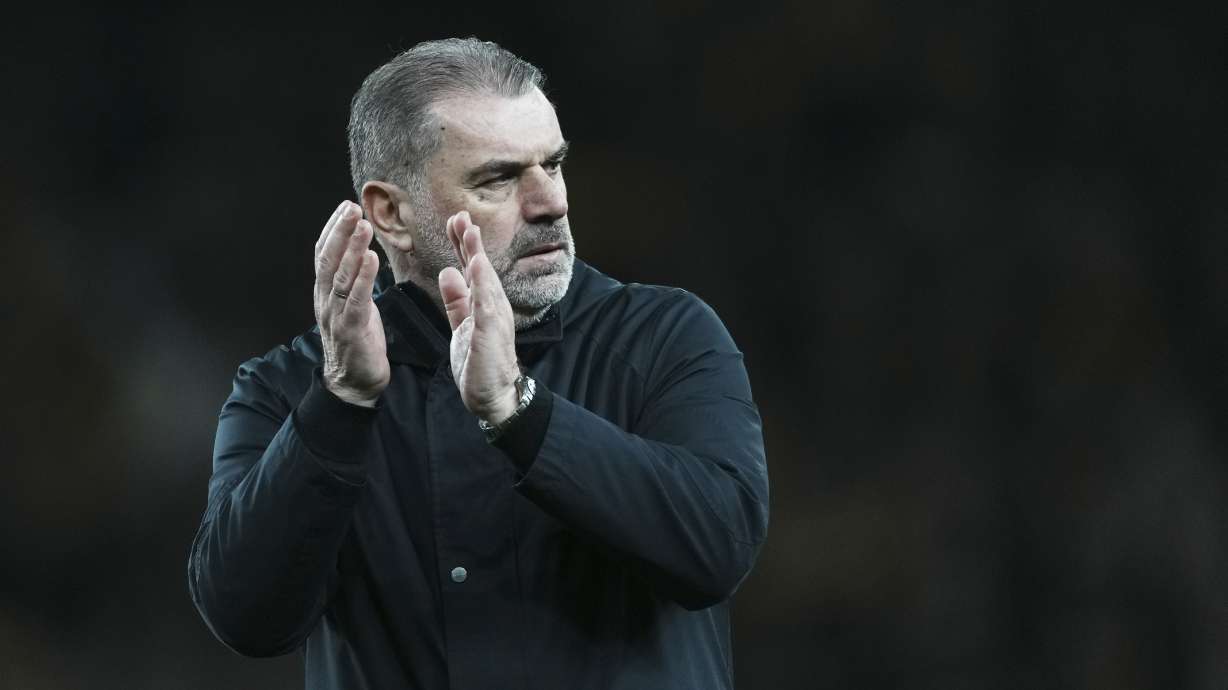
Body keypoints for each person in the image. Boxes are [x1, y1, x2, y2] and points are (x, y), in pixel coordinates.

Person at [188, 37, 769, 690]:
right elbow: (246, 619)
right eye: (499, 178)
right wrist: (341, 403)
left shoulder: (664, 336)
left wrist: (517, 411)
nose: (551, 202)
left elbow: (717, 547)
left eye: (553, 165)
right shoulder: (287, 390)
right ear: (392, 213)